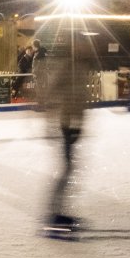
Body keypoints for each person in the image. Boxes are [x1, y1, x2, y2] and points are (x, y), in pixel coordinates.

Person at [41, 51, 89, 236]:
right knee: (67, 170)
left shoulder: (80, 68)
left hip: (71, 125)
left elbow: (80, 101)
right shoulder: (70, 68)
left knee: (68, 169)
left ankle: (56, 213)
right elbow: (54, 92)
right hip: (67, 124)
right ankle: (53, 215)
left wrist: (79, 125)